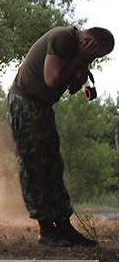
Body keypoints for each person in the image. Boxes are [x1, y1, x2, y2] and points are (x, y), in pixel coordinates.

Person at [7, 26, 114, 247]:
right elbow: (52, 80)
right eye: (96, 53)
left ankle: (64, 227)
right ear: (89, 39)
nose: (94, 57)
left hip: (42, 108)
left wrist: (83, 61)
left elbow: (73, 85)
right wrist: (80, 57)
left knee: (53, 167)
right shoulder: (63, 37)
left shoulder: (76, 50)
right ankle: (46, 230)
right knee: (34, 167)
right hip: (26, 104)